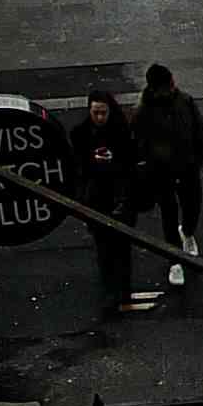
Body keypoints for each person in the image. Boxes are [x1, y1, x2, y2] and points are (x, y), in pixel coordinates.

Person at [132, 64, 203, 288]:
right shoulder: (144, 112)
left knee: (192, 205)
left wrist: (197, 159)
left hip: (187, 167)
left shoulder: (185, 101)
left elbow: (198, 130)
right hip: (161, 171)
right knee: (169, 214)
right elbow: (140, 144)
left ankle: (188, 232)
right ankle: (174, 259)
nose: (174, 86)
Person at [75, 89, 141, 318]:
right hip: (98, 199)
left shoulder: (122, 132)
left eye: (103, 112)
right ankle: (112, 291)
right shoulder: (81, 134)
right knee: (104, 250)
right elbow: (79, 169)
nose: (100, 117)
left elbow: (132, 163)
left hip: (119, 198)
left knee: (121, 249)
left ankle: (121, 289)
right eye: (96, 113)